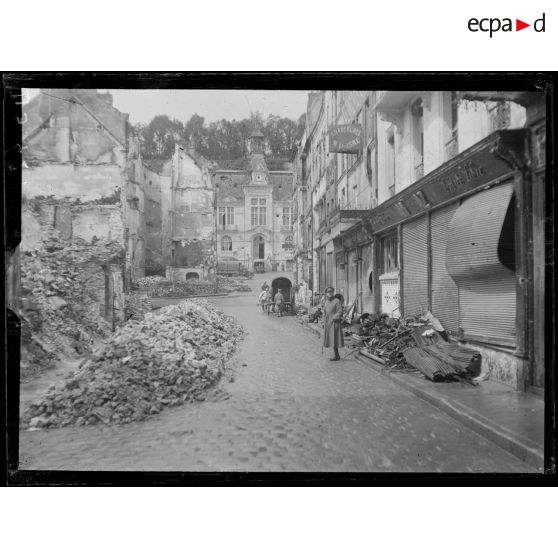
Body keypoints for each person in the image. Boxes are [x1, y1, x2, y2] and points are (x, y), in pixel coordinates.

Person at [323, 286, 344, 361]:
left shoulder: (337, 301)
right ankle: (337, 355)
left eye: (331, 291)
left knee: (335, 339)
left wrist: (335, 317)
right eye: (328, 292)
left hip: (335, 323)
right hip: (328, 322)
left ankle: (336, 355)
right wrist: (324, 321)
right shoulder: (326, 302)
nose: (330, 293)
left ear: (333, 292)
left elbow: (339, 311)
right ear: (326, 293)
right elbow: (325, 312)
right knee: (331, 339)